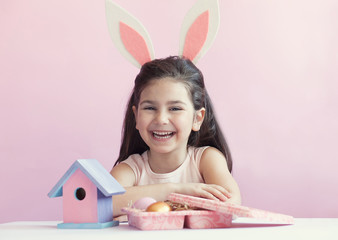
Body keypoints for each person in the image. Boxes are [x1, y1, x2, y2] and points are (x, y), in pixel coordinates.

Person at [111, 56, 241, 217]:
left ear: (197, 118)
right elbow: (104, 204)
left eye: (175, 108)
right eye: (150, 108)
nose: (161, 119)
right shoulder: (130, 170)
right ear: (136, 116)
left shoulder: (205, 160)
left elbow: (231, 203)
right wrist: (173, 190)